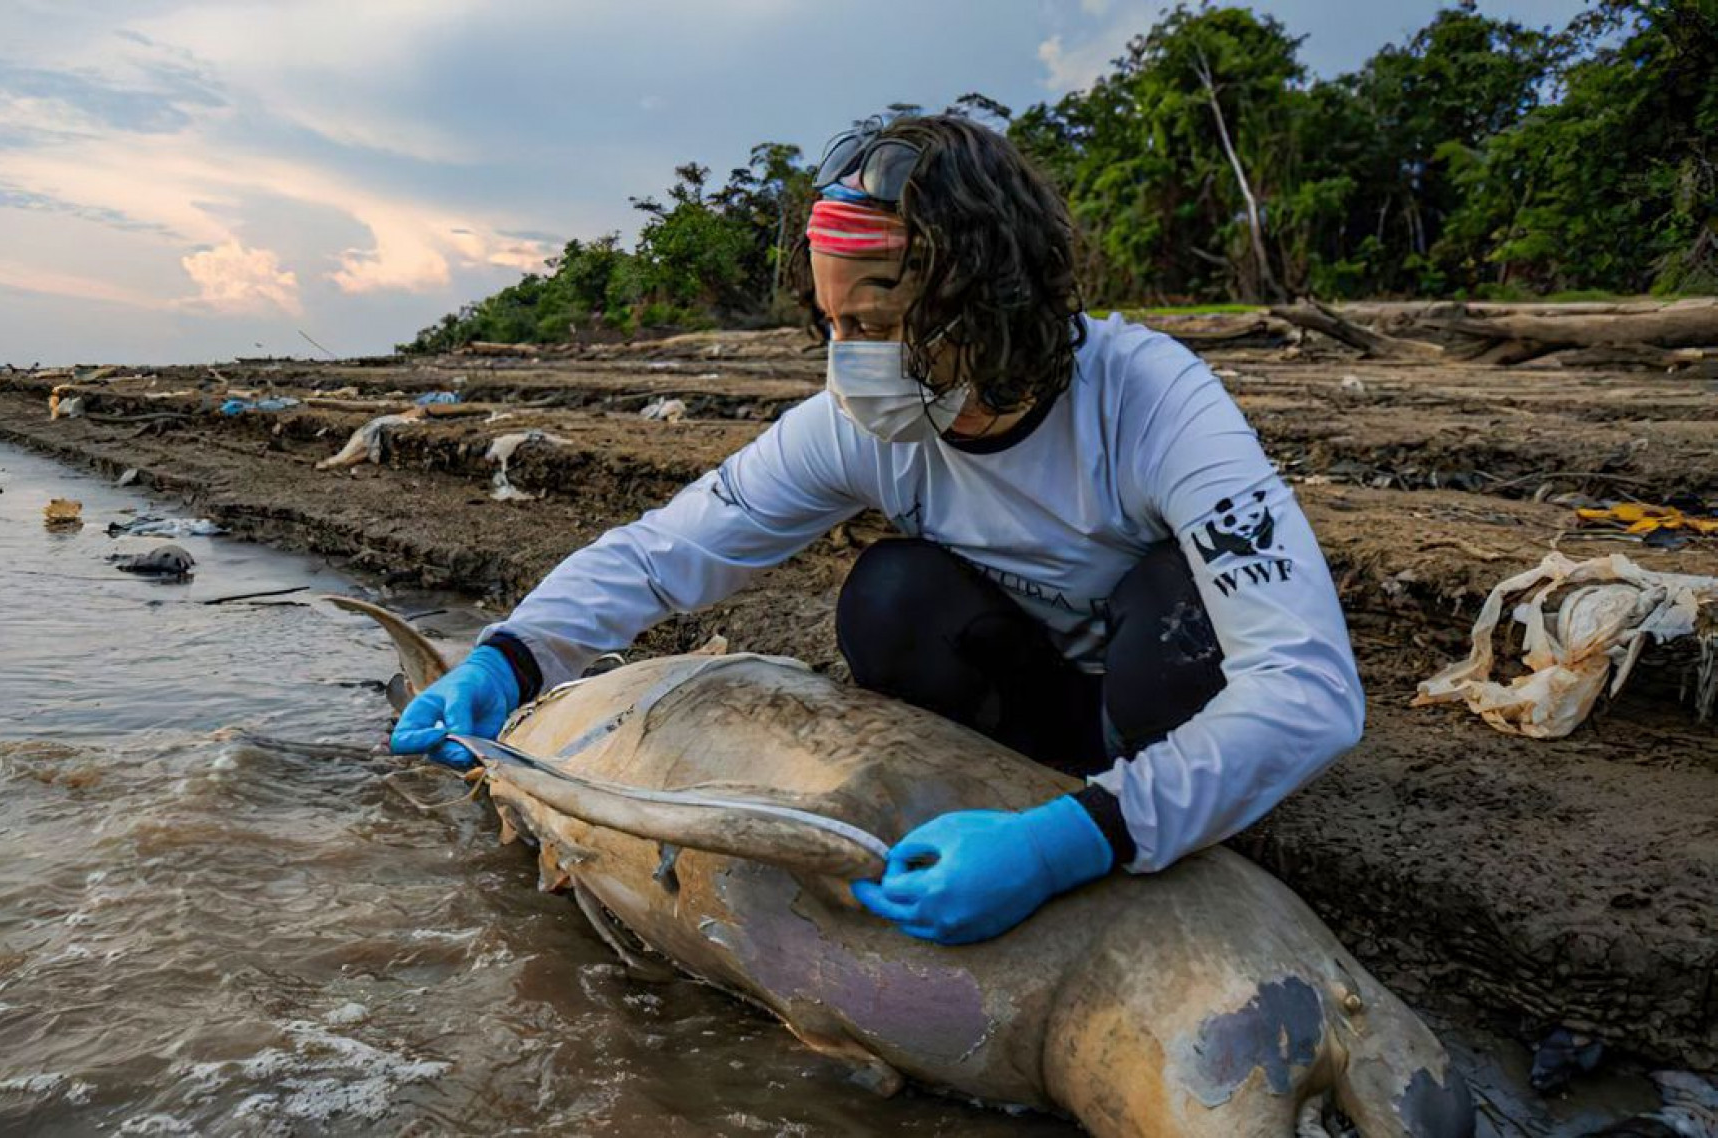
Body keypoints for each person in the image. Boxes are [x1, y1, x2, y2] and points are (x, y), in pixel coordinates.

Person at [392, 115, 1363, 946]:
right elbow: (669, 550)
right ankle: (1004, 805)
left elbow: (1309, 690)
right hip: (1027, 700)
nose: (851, 363)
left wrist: (1069, 841)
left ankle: (1123, 817)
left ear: (989, 301)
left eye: (879, 321)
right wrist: (509, 658)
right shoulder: (861, 423)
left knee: (1178, 609)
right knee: (890, 594)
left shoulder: (1151, 401)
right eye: (832, 327)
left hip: (1149, 704)